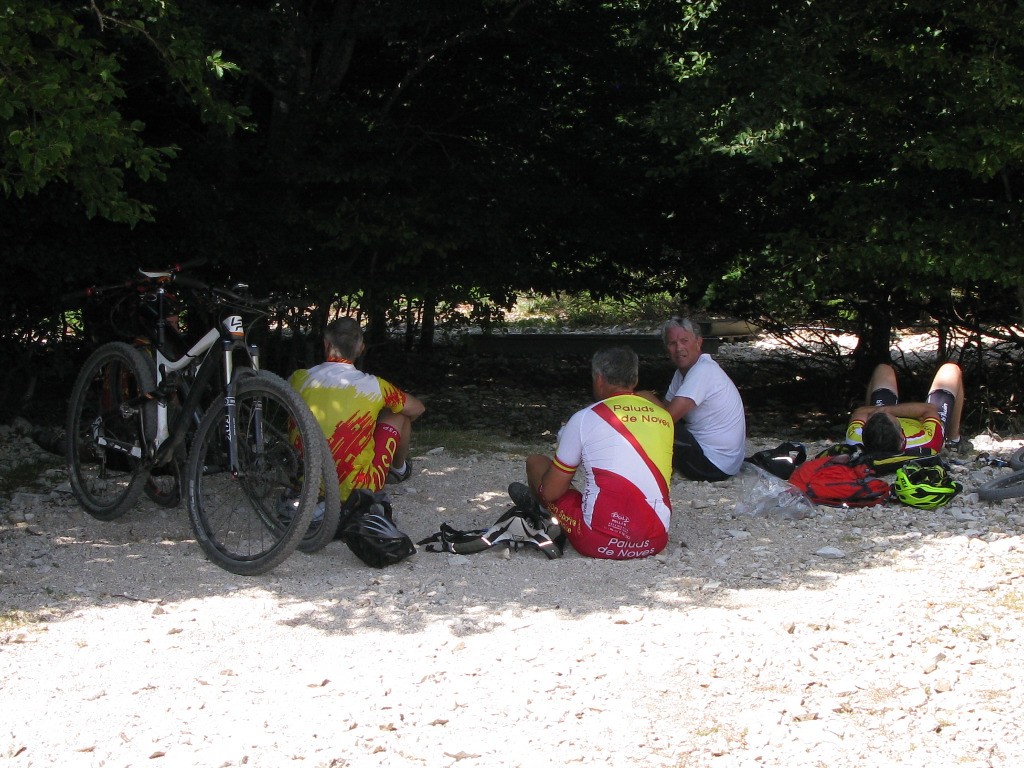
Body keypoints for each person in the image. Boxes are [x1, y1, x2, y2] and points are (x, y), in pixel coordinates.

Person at [513, 346, 674, 560]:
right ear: (634, 380)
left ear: (599, 379)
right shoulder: (664, 418)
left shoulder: (584, 418)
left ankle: (540, 516)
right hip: (655, 541)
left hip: (598, 542)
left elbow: (551, 491)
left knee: (536, 463)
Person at [289, 317, 425, 505]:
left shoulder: (298, 378)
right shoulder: (375, 386)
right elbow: (418, 408)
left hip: (305, 485)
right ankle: (399, 469)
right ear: (361, 349)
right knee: (399, 413)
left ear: (326, 344)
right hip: (360, 491)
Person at [644, 316, 746, 481]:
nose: (679, 348)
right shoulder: (683, 372)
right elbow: (664, 408)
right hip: (721, 462)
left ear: (699, 342)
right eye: (672, 343)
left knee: (651, 417)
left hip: (713, 466)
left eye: (685, 341)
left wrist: (642, 397)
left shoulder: (703, 371)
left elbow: (665, 419)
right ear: (666, 348)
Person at [846, 362, 964, 456]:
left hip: (897, 424)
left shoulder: (856, 440)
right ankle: (953, 441)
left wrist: (882, 412)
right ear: (903, 436)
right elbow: (928, 409)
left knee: (883, 369)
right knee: (951, 369)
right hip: (926, 423)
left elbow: (860, 412)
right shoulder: (927, 442)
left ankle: (882, 416)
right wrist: (887, 410)